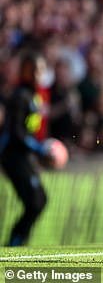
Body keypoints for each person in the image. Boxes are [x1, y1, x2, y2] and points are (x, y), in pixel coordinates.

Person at [0, 51, 67, 246]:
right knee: (35, 202)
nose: (43, 74)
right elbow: (16, 132)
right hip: (13, 155)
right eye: (40, 70)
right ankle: (13, 244)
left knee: (39, 201)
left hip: (22, 154)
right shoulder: (20, 96)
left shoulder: (33, 96)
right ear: (30, 72)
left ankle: (18, 242)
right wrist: (39, 149)